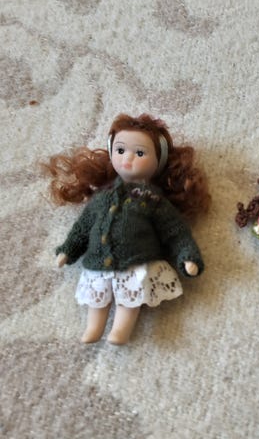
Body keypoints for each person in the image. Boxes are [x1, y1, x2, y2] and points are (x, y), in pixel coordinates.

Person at [44, 113, 210, 344]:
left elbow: (175, 231)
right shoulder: (101, 197)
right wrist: (68, 250)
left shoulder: (153, 200)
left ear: (158, 161)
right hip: (98, 263)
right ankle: (94, 328)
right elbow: (82, 227)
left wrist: (187, 256)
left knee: (129, 296)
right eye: (120, 150)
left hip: (136, 261)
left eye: (140, 153)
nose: (127, 158)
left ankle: (120, 330)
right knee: (97, 297)